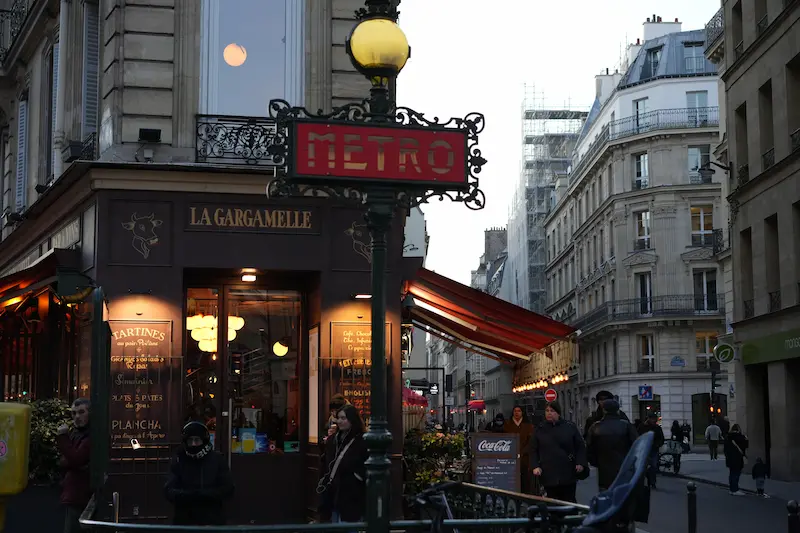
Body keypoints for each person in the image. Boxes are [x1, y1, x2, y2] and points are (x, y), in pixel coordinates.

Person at [165, 421, 235, 525]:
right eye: (190, 440)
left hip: (212, 520)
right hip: (184, 521)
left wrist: (206, 495)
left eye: (197, 440)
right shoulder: (179, 460)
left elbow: (228, 488)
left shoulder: (217, 460)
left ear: (204, 440)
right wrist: (189, 495)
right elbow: (169, 490)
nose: (193, 444)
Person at [318, 404, 369, 523]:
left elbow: (364, 465)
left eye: (343, 418)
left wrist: (357, 476)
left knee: (348, 524)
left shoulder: (361, 441)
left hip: (351, 494)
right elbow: (326, 463)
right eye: (338, 418)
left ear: (352, 420)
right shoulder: (333, 440)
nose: (339, 421)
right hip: (333, 492)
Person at [531, 401, 587, 503]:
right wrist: (535, 466)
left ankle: (569, 517)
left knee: (568, 500)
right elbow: (533, 449)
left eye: (552, 411)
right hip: (548, 472)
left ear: (558, 413)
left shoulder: (569, 427)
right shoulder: (540, 429)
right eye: (547, 411)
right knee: (551, 501)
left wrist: (580, 463)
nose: (549, 413)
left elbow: (580, 446)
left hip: (567, 471)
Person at [586, 399, 639, 492]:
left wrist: (596, 462)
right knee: (623, 496)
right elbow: (636, 445)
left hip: (604, 470)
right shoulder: (626, 426)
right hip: (624, 467)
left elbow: (589, 449)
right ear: (617, 410)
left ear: (604, 410)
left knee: (605, 495)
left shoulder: (596, 427)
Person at [58, 398, 92, 533]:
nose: (77, 417)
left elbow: (75, 459)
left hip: (82, 495)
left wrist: (62, 437)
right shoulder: (77, 433)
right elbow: (65, 460)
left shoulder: (91, 436)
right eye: (74, 413)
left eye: (81, 412)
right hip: (74, 494)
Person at [504, 406, 535, 494]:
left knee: (525, 479)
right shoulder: (507, 425)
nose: (517, 413)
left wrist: (524, 451)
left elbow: (531, 442)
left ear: (522, 413)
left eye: (519, 411)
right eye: (515, 411)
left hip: (524, 458)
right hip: (510, 457)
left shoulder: (529, 426)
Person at [637, 413, 664, 489]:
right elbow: (637, 437)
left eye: (655, 419)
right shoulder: (642, 427)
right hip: (644, 450)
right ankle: (644, 482)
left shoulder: (657, 428)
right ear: (648, 418)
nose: (654, 420)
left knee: (653, 466)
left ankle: (652, 482)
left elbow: (661, 439)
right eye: (652, 418)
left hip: (653, 450)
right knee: (643, 467)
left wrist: (657, 445)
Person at [723, 423, 749, 496]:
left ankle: (732, 489)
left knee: (732, 474)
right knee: (736, 474)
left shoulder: (727, 437)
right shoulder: (740, 437)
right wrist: (746, 439)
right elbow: (745, 446)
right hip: (737, 458)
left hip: (730, 459)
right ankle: (735, 489)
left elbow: (725, 450)